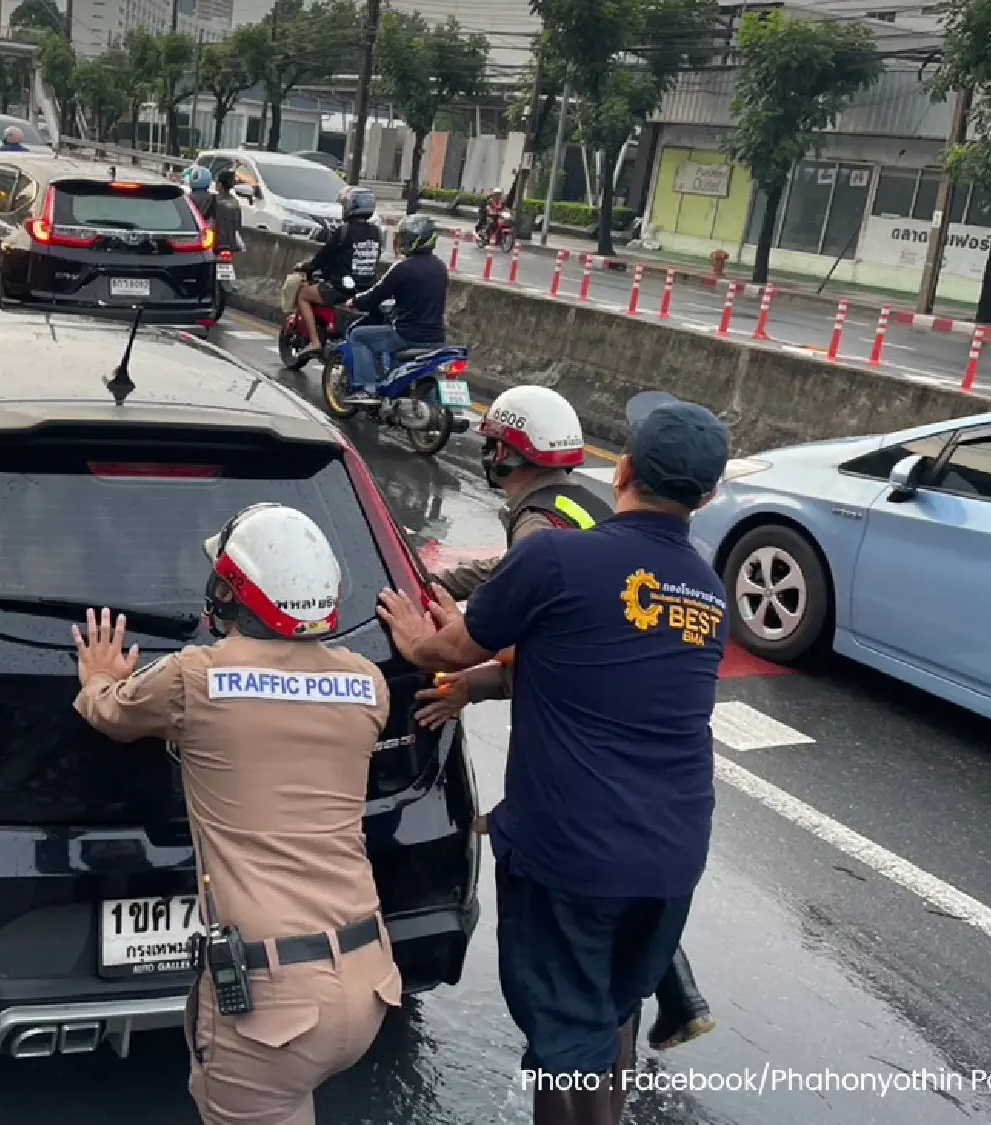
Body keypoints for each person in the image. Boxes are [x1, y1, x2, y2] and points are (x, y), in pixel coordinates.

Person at [376, 391, 731, 1125]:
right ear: (711, 494)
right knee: (610, 1011)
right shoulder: (708, 586)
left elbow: (450, 645)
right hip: (671, 857)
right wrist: (475, 682)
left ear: (623, 466)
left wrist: (418, 640)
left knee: (568, 1042)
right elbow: (575, 668)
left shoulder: (555, 554)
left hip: (573, 854)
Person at [72, 503, 401, 1125]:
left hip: (274, 1003)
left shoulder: (196, 678)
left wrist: (97, 676)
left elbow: (112, 712)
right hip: (369, 979)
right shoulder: (368, 684)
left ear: (227, 588)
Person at [341, 213, 445, 401]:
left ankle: (367, 388)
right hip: (436, 338)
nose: (401, 241)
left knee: (358, 336)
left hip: (407, 336)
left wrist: (355, 302)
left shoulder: (402, 268)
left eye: (405, 237)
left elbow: (377, 294)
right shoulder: (440, 267)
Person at [294, 186, 383, 360]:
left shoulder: (344, 231)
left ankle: (314, 342)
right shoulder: (376, 232)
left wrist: (308, 266)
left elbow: (324, 256)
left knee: (303, 295)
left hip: (341, 289)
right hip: (366, 288)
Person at [209, 168, 245, 256]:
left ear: (220, 184)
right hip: (231, 245)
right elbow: (238, 226)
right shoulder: (235, 202)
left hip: (215, 244)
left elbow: (209, 223)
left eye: (217, 182)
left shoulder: (213, 200)